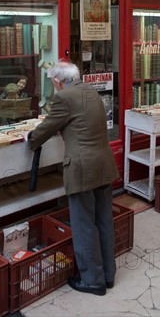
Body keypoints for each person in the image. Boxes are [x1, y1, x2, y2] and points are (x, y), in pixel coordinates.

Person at [28, 61, 119, 296]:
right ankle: (108, 275)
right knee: (103, 221)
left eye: (53, 83)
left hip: (81, 168)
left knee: (84, 226)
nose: (54, 88)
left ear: (58, 81)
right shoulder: (91, 91)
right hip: (103, 163)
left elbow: (47, 127)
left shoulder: (64, 97)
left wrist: (31, 139)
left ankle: (92, 280)